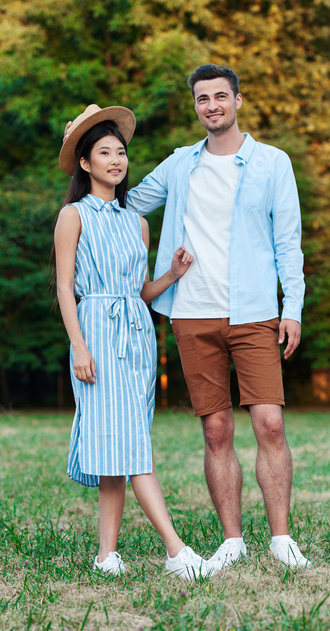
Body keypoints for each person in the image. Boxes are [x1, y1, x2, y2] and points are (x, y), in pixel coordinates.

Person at [124, 64, 310, 570]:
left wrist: (290, 308)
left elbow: (288, 244)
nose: (212, 105)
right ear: (196, 107)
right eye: (202, 99)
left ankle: (281, 538)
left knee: (269, 423)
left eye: (220, 97)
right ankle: (232, 540)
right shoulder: (180, 164)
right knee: (216, 430)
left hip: (253, 314)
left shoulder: (272, 163)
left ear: (238, 101)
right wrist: (87, 172)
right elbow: (128, 203)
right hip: (192, 313)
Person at [54, 104, 213, 581]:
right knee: (130, 446)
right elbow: (65, 287)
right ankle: (176, 550)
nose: (116, 160)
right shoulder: (72, 216)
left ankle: (106, 556)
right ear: (86, 163)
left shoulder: (137, 221)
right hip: (97, 332)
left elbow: (140, 291)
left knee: (117, 448)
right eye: (104, 152)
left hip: (138, 336)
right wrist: (79, 346)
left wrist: (172, 274)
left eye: (120, 152)